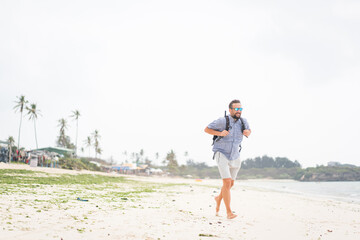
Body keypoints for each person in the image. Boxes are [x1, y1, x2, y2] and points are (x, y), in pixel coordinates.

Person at [204, 99, 251, 219]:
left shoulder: (243, 121)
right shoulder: (222, 121)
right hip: (222, 153)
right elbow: (207, 129)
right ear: (230, 110)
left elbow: (249, 132)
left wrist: (247, 132)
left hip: (235, 155)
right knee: (226, 182)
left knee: (231, 184)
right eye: (236, 109)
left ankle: (218, 198)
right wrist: (220, 134)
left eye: (240, 109)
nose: (238, 111)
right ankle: (229, 212)